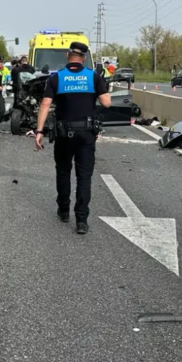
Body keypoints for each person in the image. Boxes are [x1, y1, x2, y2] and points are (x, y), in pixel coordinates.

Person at [34, 42, 110, 234]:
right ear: (84, 58)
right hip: (86, 134)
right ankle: (82, 221)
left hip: (63, 134)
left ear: (68, 56)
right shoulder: (93, 76)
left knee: (63, 172)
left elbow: (45, 104)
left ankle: (64, 210)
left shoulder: (56, 78)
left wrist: (39, 131)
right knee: (84, 177)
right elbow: (107, 103)